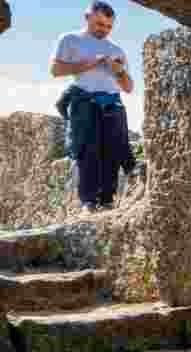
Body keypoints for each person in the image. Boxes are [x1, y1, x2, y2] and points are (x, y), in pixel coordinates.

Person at [50, 1, 136, 214]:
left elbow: (128, 87)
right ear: (87, 17)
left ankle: (107, 201)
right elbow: (55, 69)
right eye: (99, 24)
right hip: (84, 101)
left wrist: (118, 71)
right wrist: (91, 63)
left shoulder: (117, 50)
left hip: (112, 102)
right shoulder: (70, 40)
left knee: (113, 152)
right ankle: (88, 203)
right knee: (87, 150)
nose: (103, 30)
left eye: (108, 26)